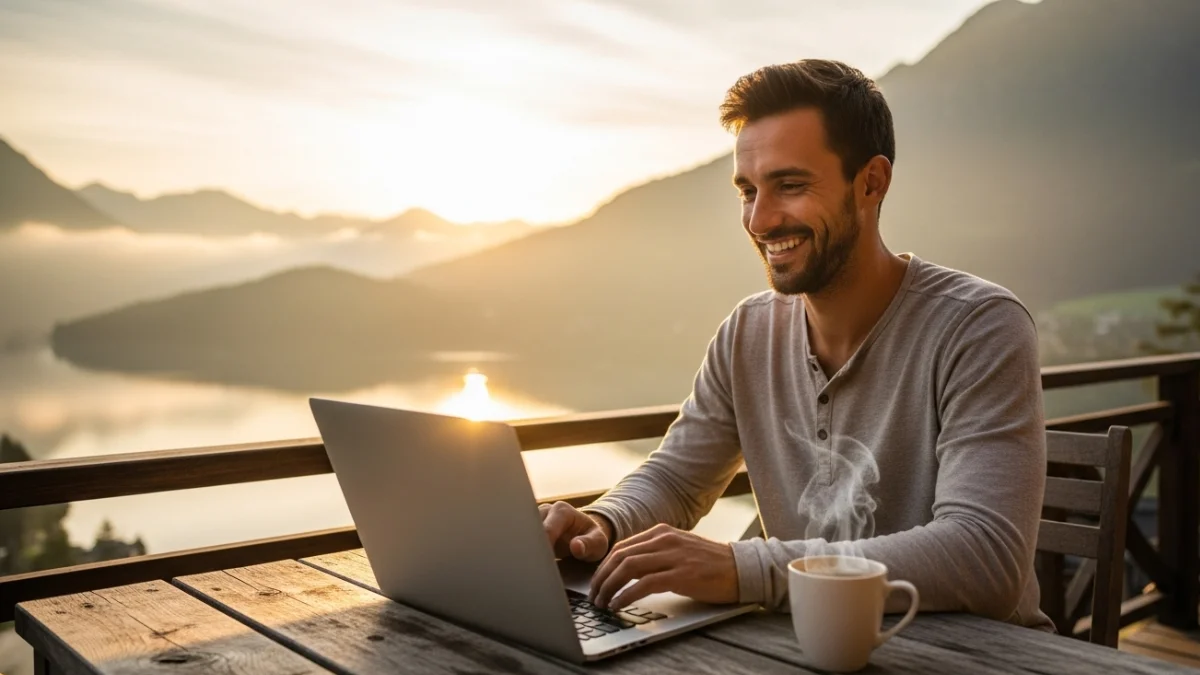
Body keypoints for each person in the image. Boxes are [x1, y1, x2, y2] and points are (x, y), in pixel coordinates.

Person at [539, 59, 1051, 630]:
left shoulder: (979, 326)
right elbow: (676, 479)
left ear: (871, 183)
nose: (759, 220)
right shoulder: (747, 333)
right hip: (803, 648)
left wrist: (744, 568)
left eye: (790, 185)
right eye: (747, 191)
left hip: (976, 656)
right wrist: (603, 523)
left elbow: (985, 556)